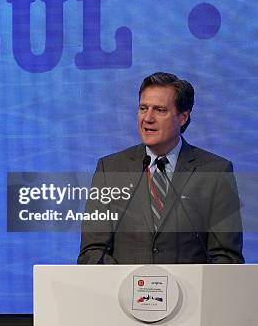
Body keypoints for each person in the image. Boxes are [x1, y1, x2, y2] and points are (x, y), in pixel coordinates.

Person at [78, 72, 244, 264]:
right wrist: (126, 285)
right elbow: (92, 251)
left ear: (182, 117)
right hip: (123, 292)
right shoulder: (110, 169)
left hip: (191, 292)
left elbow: (226, 257)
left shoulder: (215, 172)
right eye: (143, 108)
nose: (147, 118)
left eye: (159, 110)